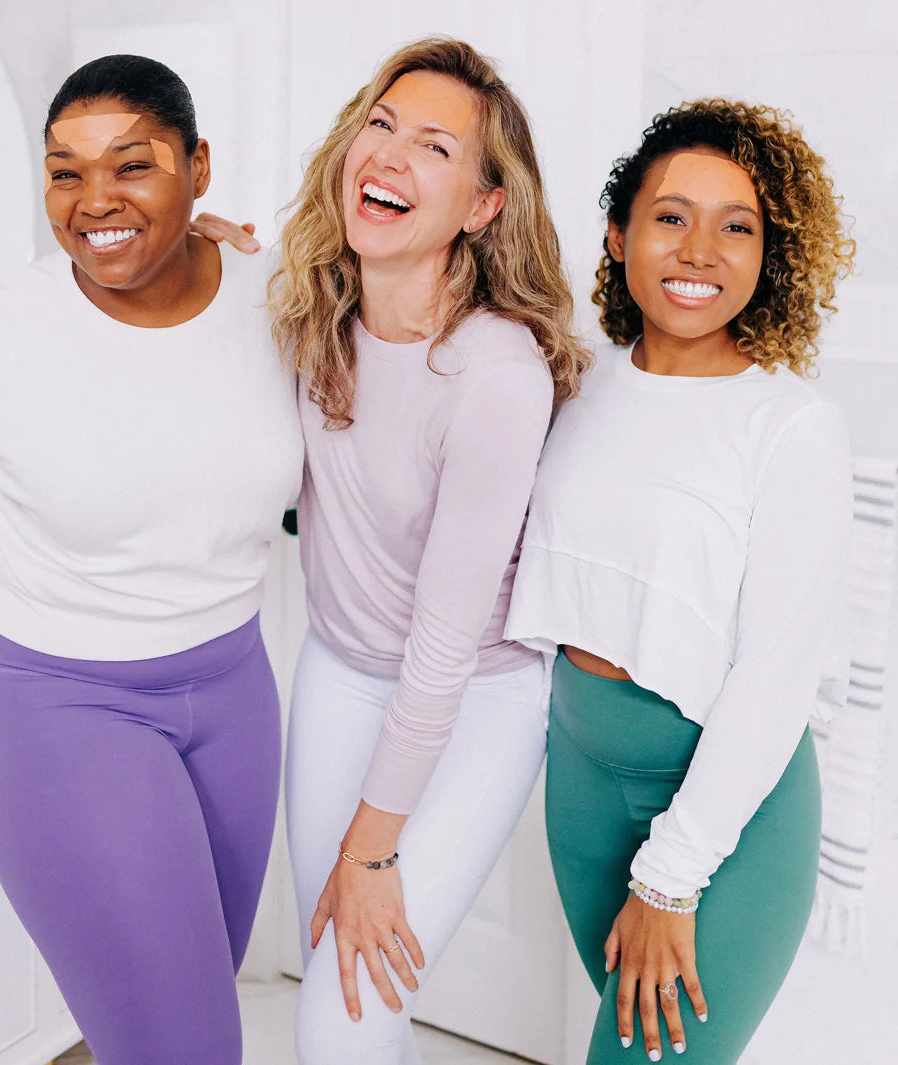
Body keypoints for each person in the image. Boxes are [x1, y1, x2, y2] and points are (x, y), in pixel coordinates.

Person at [0, 54, 302, 1065]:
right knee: (188, 1050)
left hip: (233, 691)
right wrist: (8, 528)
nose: (94, 202)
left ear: (198, 167)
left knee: (193, 1007)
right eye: (64, 172)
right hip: (59, 706)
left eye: (133, 165)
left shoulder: (279, 297)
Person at [506, 99, 855, 1064]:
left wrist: (671, 879)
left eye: (735, 226)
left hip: (724, 820)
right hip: (579, 783)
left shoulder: (789, 427)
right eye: (671, 217)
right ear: (618, 236)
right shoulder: (577, 385)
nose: (699, 249)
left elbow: (776, 676)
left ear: (767, 255)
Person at [264, 37, 588, 1064]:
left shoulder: (493, 375)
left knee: (343, 1007)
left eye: (435, 146)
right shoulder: (309, 310)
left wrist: (372, 849)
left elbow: (444, 648)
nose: (390, 156)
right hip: (338, 670)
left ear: (483, 206)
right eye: (381, 125)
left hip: (473, 700)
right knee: (350, 986)